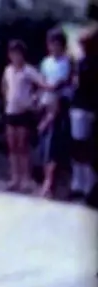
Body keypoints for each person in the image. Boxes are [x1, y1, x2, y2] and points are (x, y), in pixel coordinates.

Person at [1, 40, 50, 192]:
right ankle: (15, 178)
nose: (15, 56)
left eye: (18, 53)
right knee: (12, 146)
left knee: (23, 146)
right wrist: (7, 98)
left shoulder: (28, 71)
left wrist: (34, 99)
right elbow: (4, 86)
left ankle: (26, 179)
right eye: (13, 53)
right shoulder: (8, 70)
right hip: (11, 111)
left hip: (24, 112)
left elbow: (43, 84)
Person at [37, 29, 74, 198]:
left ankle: (50, 183)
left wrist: (50, 89)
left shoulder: (68, 62)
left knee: (54, 144)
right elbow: (42, 81)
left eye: (57, 44)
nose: (54, 47)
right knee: (45, 144)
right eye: (51, 44)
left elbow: (61, 84)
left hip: (60, 104)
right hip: (46, 103)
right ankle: (47, 181)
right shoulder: (46, 62)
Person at [69, 26, 98, 200]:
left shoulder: (89, 63)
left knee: (85, 149)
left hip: (87, 108)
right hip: (81, 107)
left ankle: (86, 185)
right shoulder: (82, 62)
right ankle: (79, 184)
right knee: (79, 148)